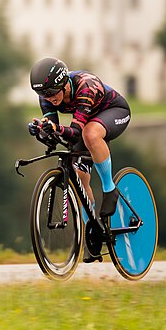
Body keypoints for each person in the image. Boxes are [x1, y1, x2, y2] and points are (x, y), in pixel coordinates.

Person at [28, 57, 131, 230]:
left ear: (64, 84)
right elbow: (55, 130)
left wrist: (57, 128)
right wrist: (42, 130)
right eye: (44, 94)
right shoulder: (46, 97)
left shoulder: (85, 87)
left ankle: (109, 189)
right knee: (80, 180)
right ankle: (91, 230)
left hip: (114, 111)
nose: (49, 98)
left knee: (90, 134)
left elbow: (75, 133)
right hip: (85, 121)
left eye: (52, 92)